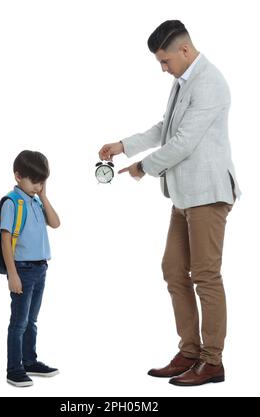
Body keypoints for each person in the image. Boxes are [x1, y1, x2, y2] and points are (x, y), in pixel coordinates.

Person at [98, 20, 241, 387]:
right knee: (174, 269)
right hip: (183, 195)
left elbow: (184, 142)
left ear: (184, 50)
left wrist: (142, 168)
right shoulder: (183, 82)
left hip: (208, 195)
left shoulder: (210, 83)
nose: (163, 69)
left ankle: (212, 362)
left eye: (165, 61)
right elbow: (166, 128)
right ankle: (190, 352)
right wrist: (123, 145)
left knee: (206, 276)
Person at [0, 150, 61, 387]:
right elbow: (6, 240)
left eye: (42, 182)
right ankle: (14, 369)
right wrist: (12, 274)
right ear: (18, 176)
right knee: (19, 322)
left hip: (40, 268)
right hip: (22, 270)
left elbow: (56, 223)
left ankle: (29, 361)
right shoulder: (12, 202)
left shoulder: (35, 200)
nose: (38, 186)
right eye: (34, 181)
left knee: (31, 320)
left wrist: (44, 197)